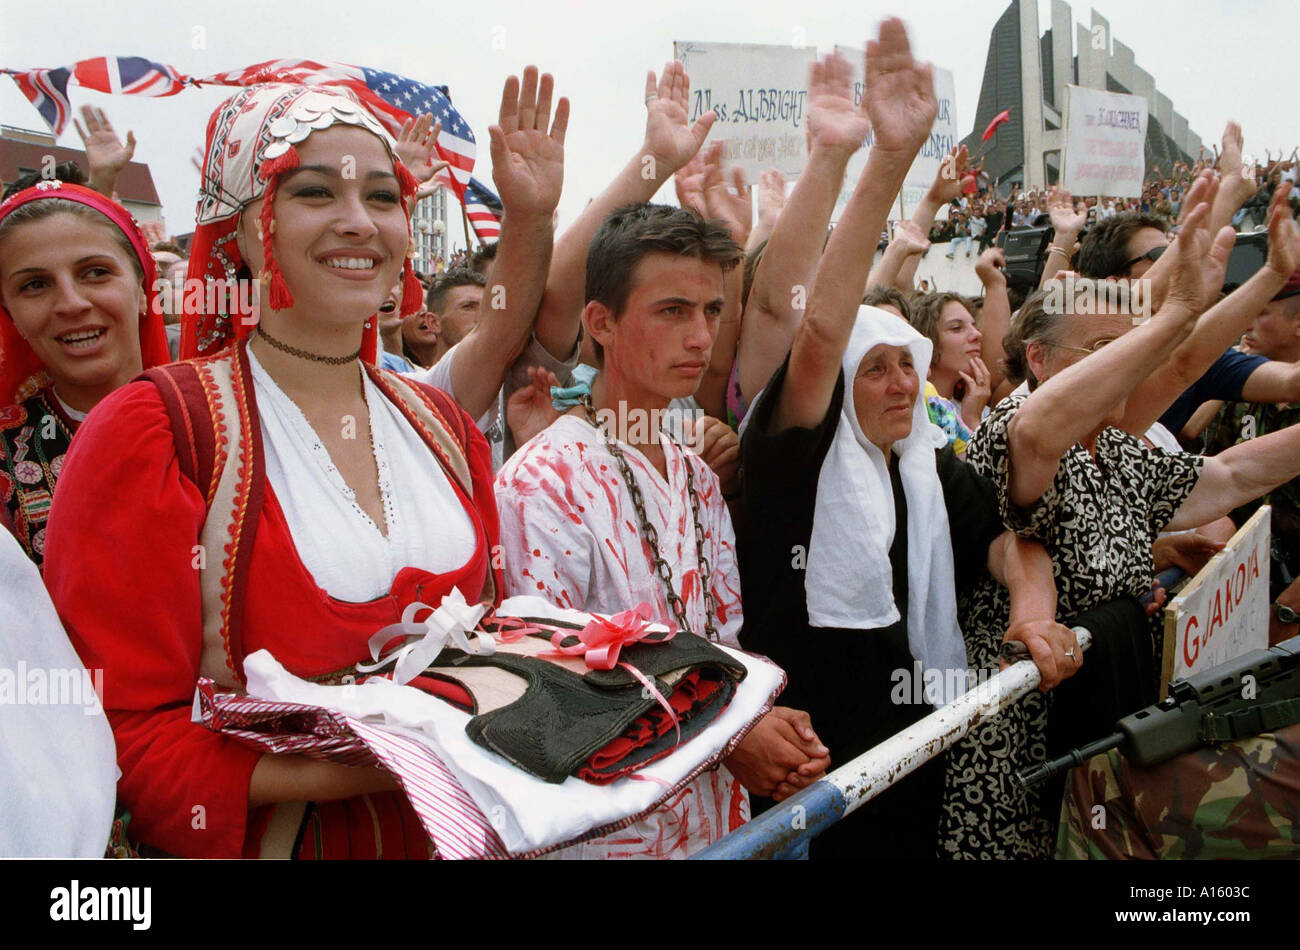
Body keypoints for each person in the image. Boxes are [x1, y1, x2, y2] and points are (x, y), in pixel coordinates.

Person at [41, 77, 567, 858]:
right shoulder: (157, 430)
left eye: (383, 197)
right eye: (314, 192)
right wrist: (399, 756)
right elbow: (121, 732)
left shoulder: (447, 427)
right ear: (249, 230)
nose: (358, 221)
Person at [738, 18, 1074, 861]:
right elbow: (817, 333)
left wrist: (1034, 611)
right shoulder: (795, 455)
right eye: (875, 367)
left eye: (907, 364)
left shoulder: (925, 466)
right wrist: (885, 160)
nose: (898, 384)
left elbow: (1010, 547)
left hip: (915, 749)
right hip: (807, 771)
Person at [945, 190, 1300, 858]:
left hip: (1101, 728)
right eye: (1103, 351)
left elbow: (1226, 478)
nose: (1126, 369)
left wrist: (1269, 277)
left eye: (1125, 350)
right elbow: (1043, 428)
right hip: (1027, 734)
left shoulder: (1116, 447)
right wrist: (1177, 314)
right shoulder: (1012, 425)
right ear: (1041, 362)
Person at [495, 201, 831, 859]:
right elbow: (550, 690)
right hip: (608, 836)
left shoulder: (698, 474)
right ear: (602, 323)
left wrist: (764, 724)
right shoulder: (543, 481)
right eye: (673, 311)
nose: (702, 338)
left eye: (710, 312)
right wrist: (731, 736)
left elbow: (724, 645)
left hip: (717, 827)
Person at [0, 181, 170, 569]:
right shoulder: (5, 453)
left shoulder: (224, 423)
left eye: (95, 272)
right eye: (35, 285)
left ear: (142, 288)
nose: (71, 303)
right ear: (10, 314)